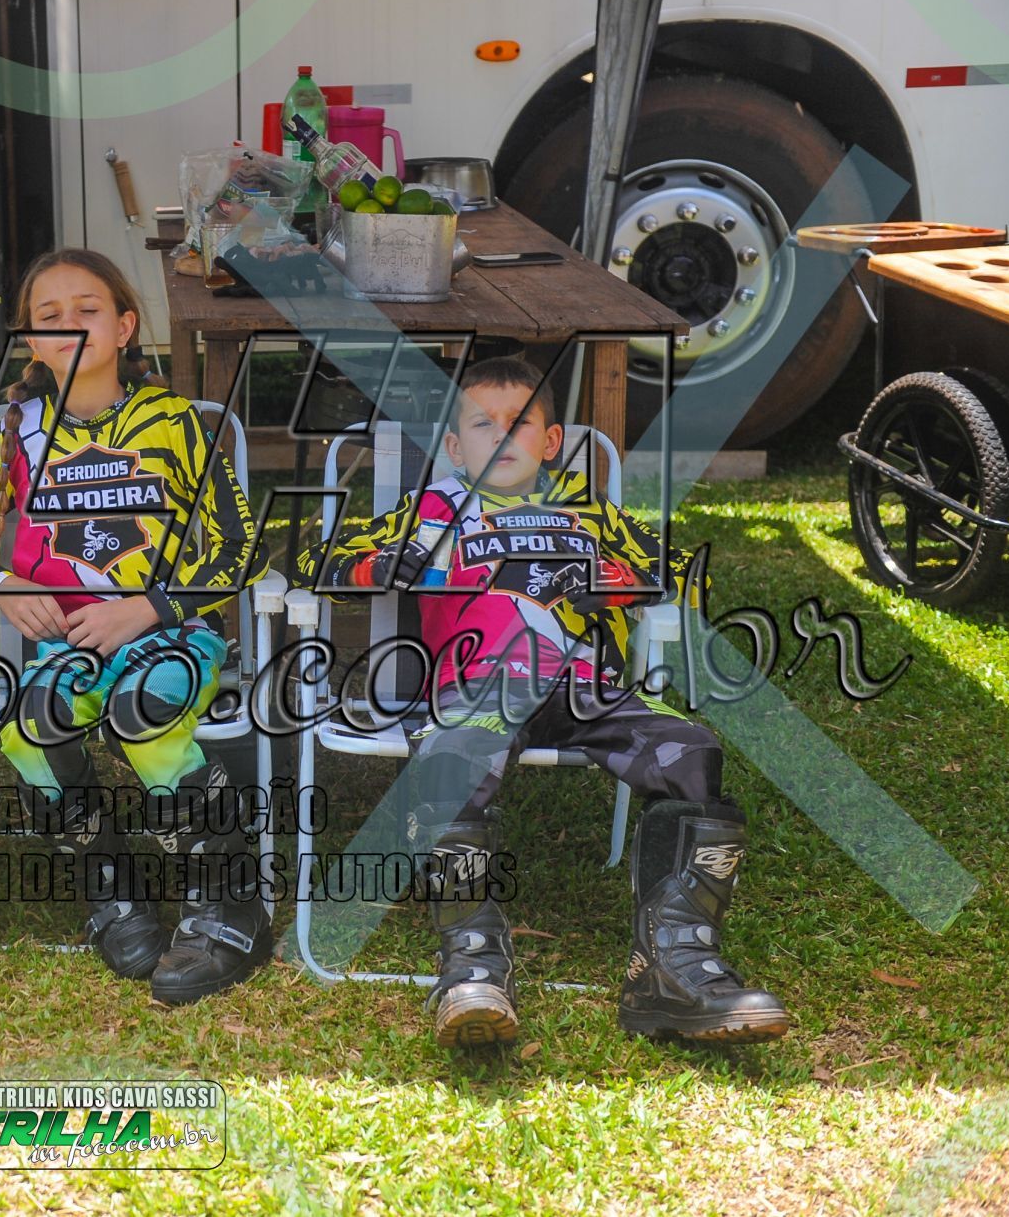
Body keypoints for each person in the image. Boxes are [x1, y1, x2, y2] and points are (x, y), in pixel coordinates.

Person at [308, 355, 789, 1047]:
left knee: (691, 752)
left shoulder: (589, 511)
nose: (503, 436)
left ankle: (675, 968)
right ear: (455, 447)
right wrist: (379, 565)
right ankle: (472, 961)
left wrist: (613, 579)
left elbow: (680, 572)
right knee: (450, 760)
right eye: (483, 424)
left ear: (551, 440)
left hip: (587, 686)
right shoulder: (432, 510)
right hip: (480, 687)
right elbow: (322, 561)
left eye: (520, 422)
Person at [0, 248, 270, 1007]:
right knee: (28, 727)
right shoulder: (12, 433)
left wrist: (148, 607)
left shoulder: (176, 423)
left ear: (124, 327)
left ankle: (231, 903)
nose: (70, 326)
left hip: (172, 633)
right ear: (32, 341)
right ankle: (112, 883)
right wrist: (1, 584)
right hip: (70, 644)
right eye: (49, 316)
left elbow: (242, 548)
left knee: (144, 714)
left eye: (87, 310)